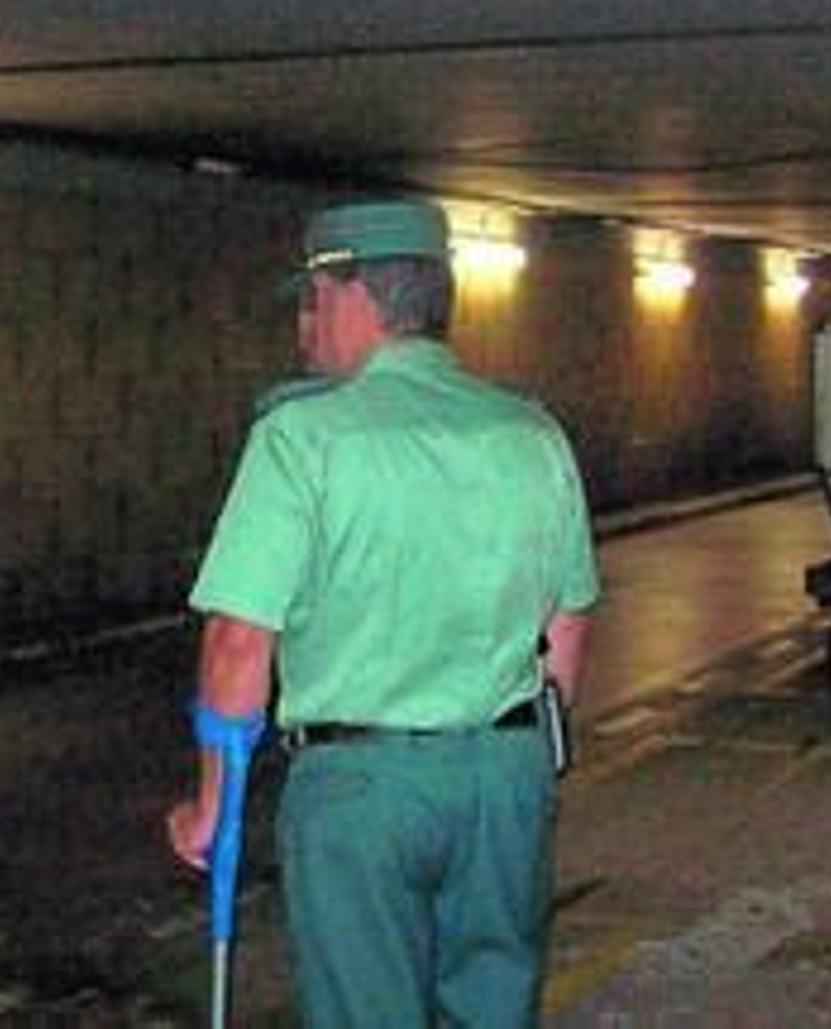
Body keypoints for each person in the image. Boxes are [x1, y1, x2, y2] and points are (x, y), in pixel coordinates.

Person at [167, 197, 599, 1027]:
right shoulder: (531, 432)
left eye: (313, 301)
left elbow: (237, 640)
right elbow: (567, 619)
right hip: (504, 779)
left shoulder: (303, 438)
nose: (304, 326)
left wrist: (215, 807)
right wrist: (526, 771)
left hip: (361, 792)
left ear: (354, 296)